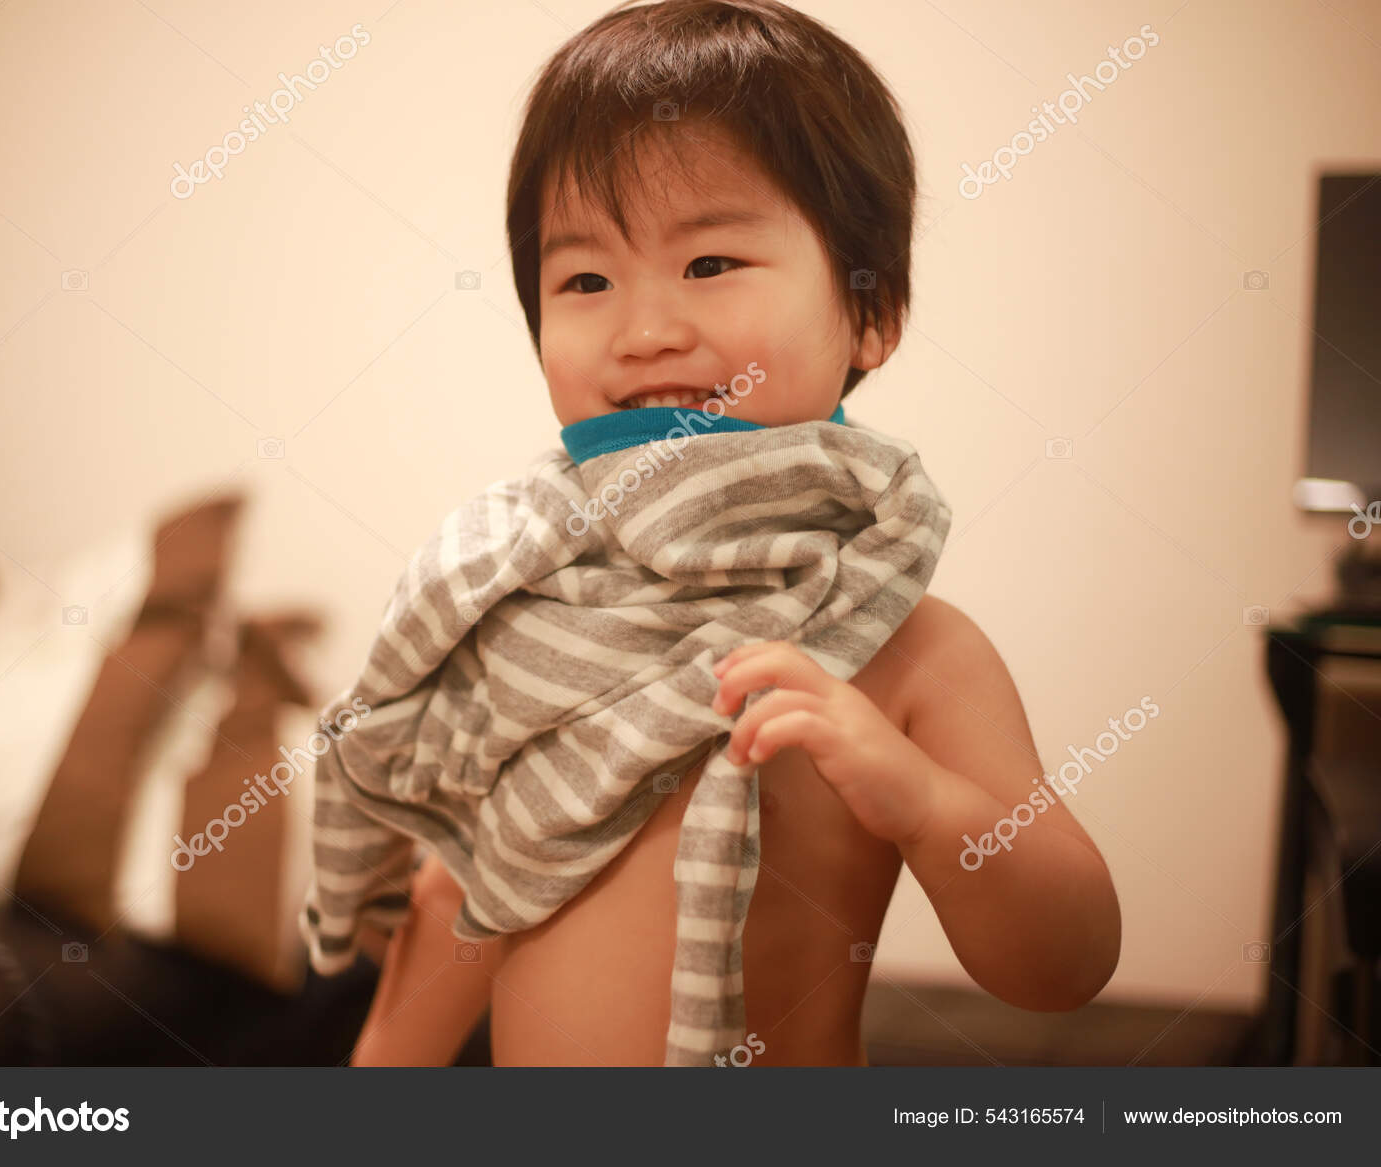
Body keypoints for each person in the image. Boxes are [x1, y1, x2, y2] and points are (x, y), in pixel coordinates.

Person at [341, 0, 1120, 1066]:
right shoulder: (525, 610)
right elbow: (465, 897)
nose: (645, 331)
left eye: (709, 264)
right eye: (585, 280)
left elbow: (1068, 965)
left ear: (871, 310)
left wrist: (923, 802)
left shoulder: (905, 648)